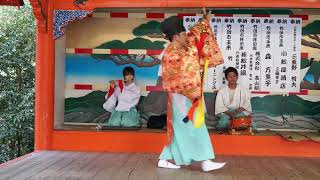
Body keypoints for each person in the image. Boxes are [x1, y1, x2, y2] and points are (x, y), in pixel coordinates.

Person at [157, 15, 226, 172]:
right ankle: (205, 160)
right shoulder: (171, 54)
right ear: (175, 36)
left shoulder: (181, 48)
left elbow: (194, 39)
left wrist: (203, 22)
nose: (186, 36)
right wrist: (194, 94)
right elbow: (180, 75)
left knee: (179, 130)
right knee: (196, 126)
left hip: (187, 97)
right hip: (182, 98)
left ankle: (164, 158)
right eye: (183, 34)